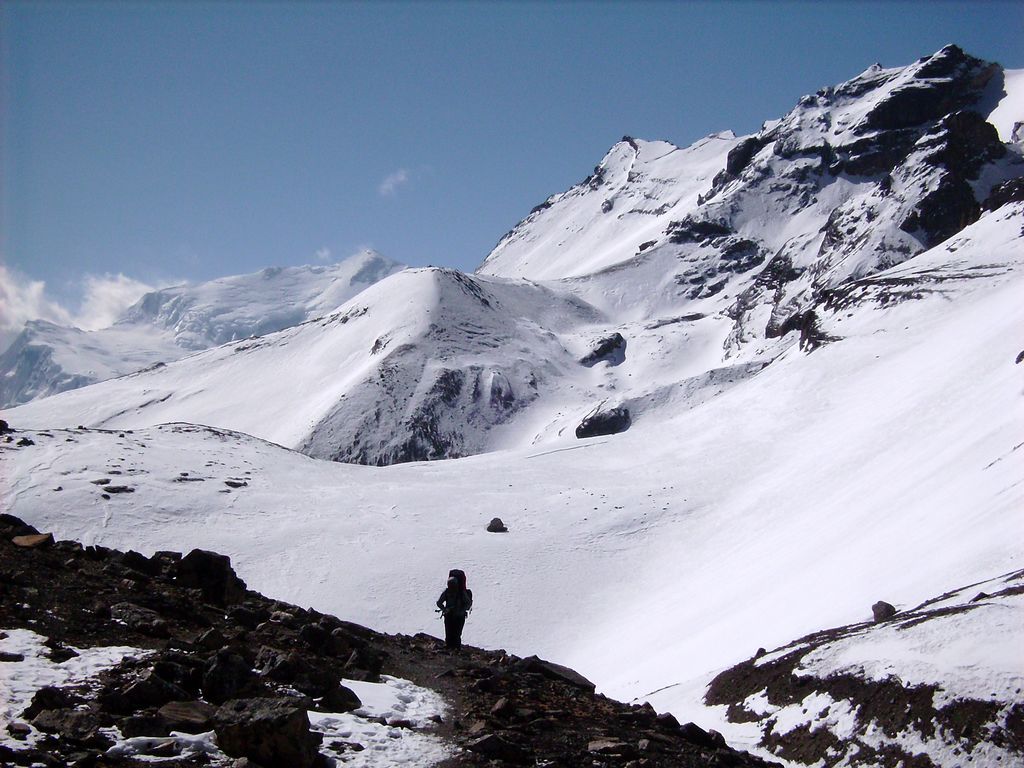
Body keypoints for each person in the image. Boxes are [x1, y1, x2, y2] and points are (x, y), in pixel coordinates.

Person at [436, 568, 473, 650]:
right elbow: (468, 604)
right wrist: (460, 611)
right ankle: (455, 650)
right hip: (458, 616)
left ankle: (451, 649)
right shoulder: (459, 593)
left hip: (451, 616)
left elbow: (439, 603)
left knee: (452, 634)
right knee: (455, 634)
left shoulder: (448, 592)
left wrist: (445, 609)